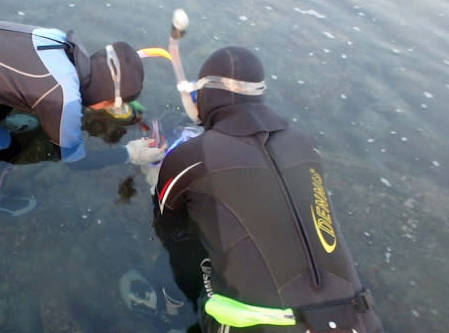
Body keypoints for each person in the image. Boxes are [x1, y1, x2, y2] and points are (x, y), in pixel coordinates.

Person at [151, 46, 384, 333]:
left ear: (205, 96)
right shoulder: (303, 142)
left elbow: (167, 224)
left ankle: (174, 304)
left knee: (185, 239)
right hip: (361, 322)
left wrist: (158, 176)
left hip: (265, 327)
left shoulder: (189, 156)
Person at [0, 17, 166, 215]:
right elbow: (75, 161)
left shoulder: (59, 39)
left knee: (5, 92)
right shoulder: (64, 97)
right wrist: (130, 153)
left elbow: (3, 84)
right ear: (107, 101)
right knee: (8, 145)